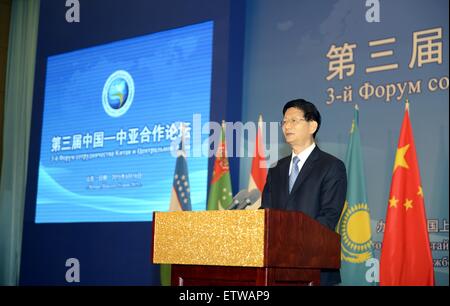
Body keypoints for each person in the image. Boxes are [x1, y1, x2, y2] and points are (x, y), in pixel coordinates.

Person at [261, 98, 347, 285]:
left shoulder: (331, 166)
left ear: (312, 126)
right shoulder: (276, 168)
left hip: (314, 268)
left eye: (294, 120)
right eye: (284, 121)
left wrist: (291, 245)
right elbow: (265, 215)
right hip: (275, 269)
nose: (286, 126)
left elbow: (328, 217)